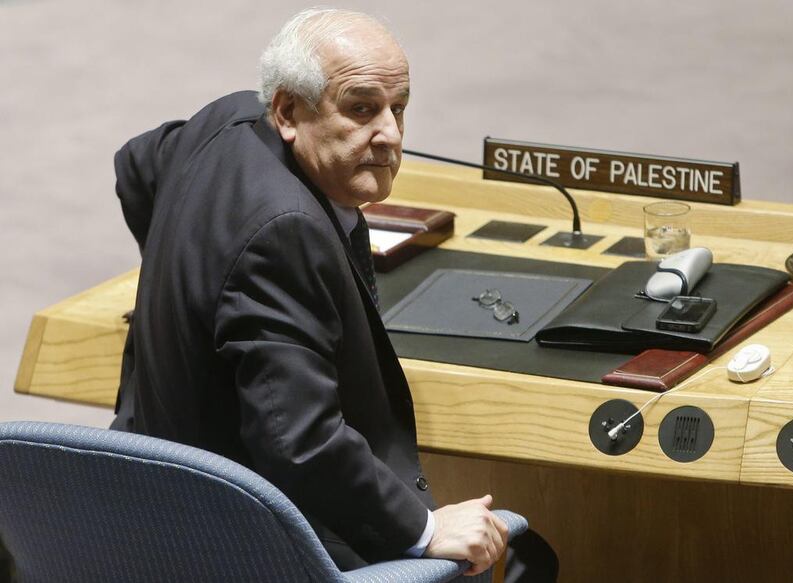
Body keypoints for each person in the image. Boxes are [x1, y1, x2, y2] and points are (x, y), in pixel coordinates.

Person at [111, 8, 557, 580]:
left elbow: (137, 164)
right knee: (529, 560)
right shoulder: (285, 232)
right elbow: (302, 441)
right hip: (255, 536)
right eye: (362, 108)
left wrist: (190, 284)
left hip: (156, 501)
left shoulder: (226, 119)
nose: (391, 135)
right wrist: (424, 530)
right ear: (288, 111)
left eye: (399, 109)